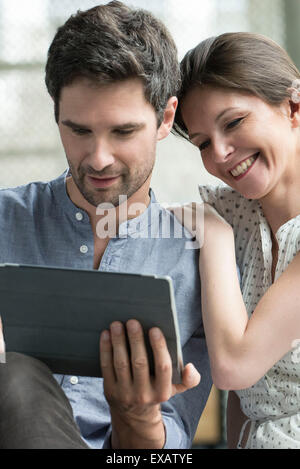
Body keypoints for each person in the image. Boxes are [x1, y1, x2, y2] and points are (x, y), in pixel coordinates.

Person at [0, 1, 212, 450]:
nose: (98, 159)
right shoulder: (5, 220)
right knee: (14, 376)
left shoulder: (199, 258)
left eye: (122, 132)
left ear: (166, 119)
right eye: (78, 131)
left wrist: (137, 415)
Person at [172, 32, 300, 449]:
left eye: (234, 122)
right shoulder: (236, 214)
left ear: (293, 107)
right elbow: (247, 400)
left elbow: (233, 367)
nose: (220, 153)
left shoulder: (217, 226)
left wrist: (212, 236)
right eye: (203, 143)